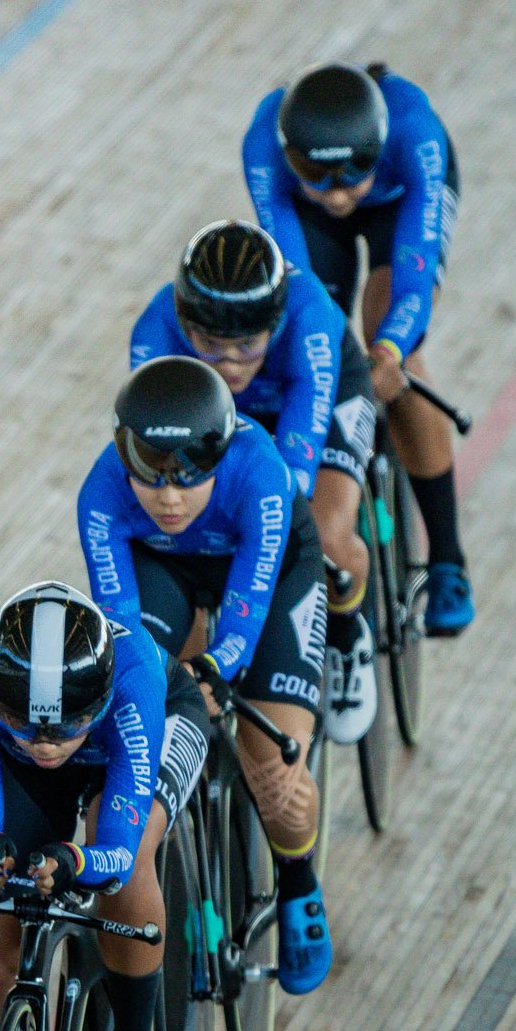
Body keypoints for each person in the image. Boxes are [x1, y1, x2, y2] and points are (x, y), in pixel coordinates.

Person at [78, 356, 333, 995]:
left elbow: (247, 606)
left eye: (187, 480)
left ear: (220, 456)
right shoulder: (101, 493)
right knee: (140, 697)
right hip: (167, 572)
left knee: (273, 770)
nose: (167, 496)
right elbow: (120, 623)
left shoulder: (262, 474)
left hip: (268, 576)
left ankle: (299, 881)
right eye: (150, 478)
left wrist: (219, 667)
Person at [0, 581, 209, 1031]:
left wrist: (71, 859)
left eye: (63, 725)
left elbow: (112, 852)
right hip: (62, 746)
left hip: (146, 727)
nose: (45, 743)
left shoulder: (131, 684)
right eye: (26, 724)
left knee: (130, 860)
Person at [243, 59, 473, 635]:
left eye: (351, 176)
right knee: (310, 336)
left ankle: (447, 558)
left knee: (392, 336)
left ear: (377, 148)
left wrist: (391, 351)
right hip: (308, 228)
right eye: (316, 175)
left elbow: (416, 277)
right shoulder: (264, 145)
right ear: (291, 156)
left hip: (401, 206)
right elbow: (295, 282)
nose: (338, 195)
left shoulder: (416, 136)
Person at [130, 219, 379, 742]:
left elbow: (291, 480)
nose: (231, 363)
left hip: (310, 398)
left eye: (248, 344)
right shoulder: (155, 332)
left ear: (276, 323)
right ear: (183, 322)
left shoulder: (307, 316)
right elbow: (156, 444)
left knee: (323, 533)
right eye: (210, 344)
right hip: (209, 417)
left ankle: (346, 630)